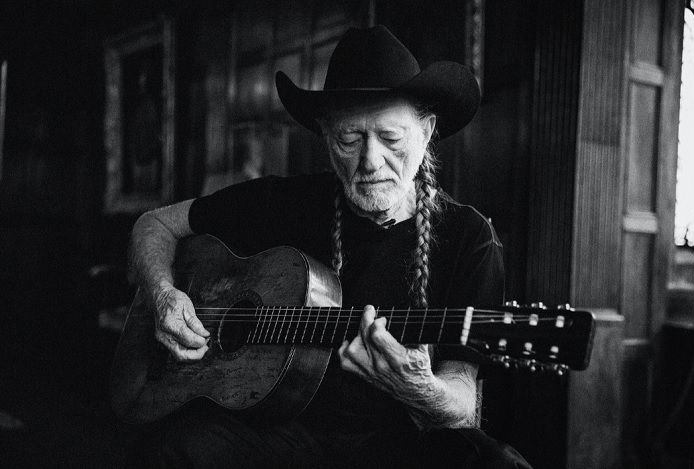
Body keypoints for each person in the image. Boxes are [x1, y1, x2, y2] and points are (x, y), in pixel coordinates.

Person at [128, 25, 531, 468]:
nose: (370, 161)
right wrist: (163, 294)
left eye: (391, 138)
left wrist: (420, 389)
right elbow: (154, 224)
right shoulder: (280, 203)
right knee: (174, 448)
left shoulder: (469, 237)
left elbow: (463, 399)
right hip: (284, 434)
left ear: (427, 131)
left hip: (397, 444)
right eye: (349, 139)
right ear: (324, 134)